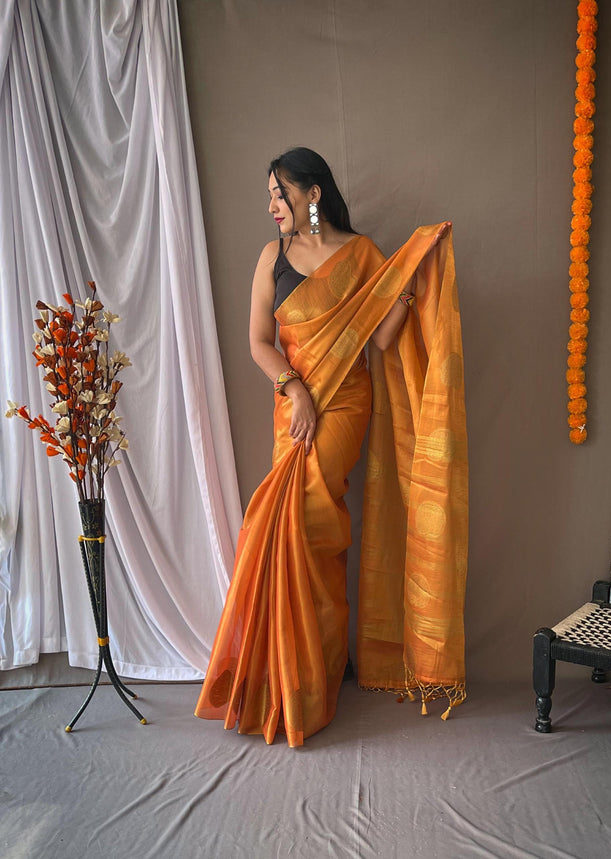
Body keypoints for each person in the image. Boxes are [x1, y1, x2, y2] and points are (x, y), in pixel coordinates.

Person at [195, 148, 468, 747]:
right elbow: (258, 343)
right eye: (269, 196)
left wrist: (405, 287)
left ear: (312, 194)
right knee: (278, 524)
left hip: (346, 404)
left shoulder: (363, 254)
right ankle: (295, 670)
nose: (271, 207)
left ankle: (311, 675)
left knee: (310, 520)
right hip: (294, 408)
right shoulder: (274, 258)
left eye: (279, 193)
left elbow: (382, 341)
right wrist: (295, 391)